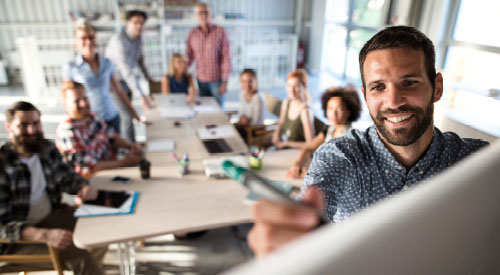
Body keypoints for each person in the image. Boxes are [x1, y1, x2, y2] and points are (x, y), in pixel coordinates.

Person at [248, 26, 489, 257]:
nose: (393, 101)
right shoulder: (339, 156)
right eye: (378, 87)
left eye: (409, 83)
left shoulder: (479, 163)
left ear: (437, 88)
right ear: (365, 96)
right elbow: (315, 201)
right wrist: (296, 232)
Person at [0, 101, 104, 274]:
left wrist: (82, 187)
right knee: (82, 256)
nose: (32, 131)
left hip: (52, 216)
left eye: (35, 124)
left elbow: (67, 177)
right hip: (17, 241)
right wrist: (44, 235)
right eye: (24, 125)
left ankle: (93, 269)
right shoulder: (2, 166)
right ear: (9, 126)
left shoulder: (46, 149)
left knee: (101, 226)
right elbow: (2, 225)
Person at [62, 20, 141, 135]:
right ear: (76, 41)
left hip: (111, 116)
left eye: (91, 37)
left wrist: (134, 113)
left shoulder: (107, 63)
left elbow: (118, 90)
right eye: (83, 38)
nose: (88, 41)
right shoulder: (70, 68)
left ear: (95, 38)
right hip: (89, 121)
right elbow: (67, 99)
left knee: (115, 150)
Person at [56, 81, 143, 179]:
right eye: (77, 101)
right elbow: (88, 170)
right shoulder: (67, 132)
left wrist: (131, 146)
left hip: (113, 172)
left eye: (85, 98)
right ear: (65, 105)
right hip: (94, 183)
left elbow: (112, 137)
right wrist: (124, 162)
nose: (84, 104)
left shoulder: (92, 117)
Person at [286, 87, 361, 178]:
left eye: (339, 109)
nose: (334, 113)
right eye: (330, 108)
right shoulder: (328, 130)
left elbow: (346, 171)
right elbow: (308, 148)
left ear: (348, 112)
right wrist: (297, 164)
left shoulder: (352, 137)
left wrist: (313, 174)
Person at [105, 10, 154, 142]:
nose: (139, 25)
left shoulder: (139, 39)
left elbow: (140, 60)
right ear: (127, 23)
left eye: (141, 23)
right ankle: (131, 150)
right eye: (135, 22)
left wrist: (149, 78)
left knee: (129, 115)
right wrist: (141, 95)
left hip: (126, 81)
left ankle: (130, 145)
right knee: (127, 116)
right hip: (114, 82)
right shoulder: (118, 41)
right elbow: (126, 70)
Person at [186, 3, 231, 106]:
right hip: (200, 81)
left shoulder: (220, 31)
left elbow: (226, 57)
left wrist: (225, 81)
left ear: (210, 14)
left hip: (217, 81)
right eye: (200, 13)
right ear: (196, 15)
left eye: (206, 12)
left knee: (218, 111)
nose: (204, 15)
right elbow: (189, 57)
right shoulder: (192, 33)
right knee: (204, 110)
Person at [272, 69, 314, 149]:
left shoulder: (305, 111)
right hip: (286, 148)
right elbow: (281, 123)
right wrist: (276, 134)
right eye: (289, 85)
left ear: (304, 87)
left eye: (296, 86)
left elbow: (310, 144)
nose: (291, 90)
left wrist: (286, 143)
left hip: (299, 152)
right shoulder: (286, 102)